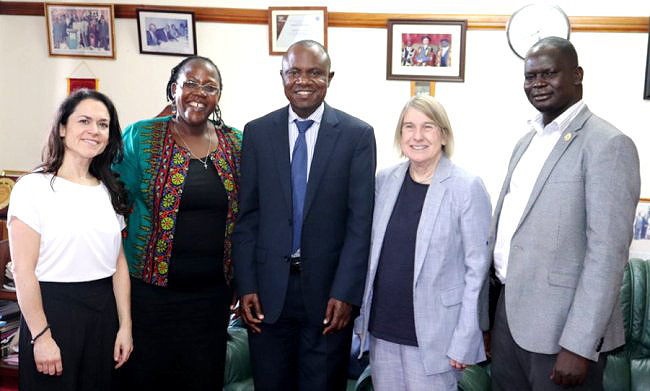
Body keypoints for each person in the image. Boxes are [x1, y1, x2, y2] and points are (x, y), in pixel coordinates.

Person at [486, 37, 640, 390]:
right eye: (530, 76)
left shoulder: (608, 144)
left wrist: (579, 345)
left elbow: (607, 254)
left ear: (577, 75)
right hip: (509, 321)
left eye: (549, 73)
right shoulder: (526, 142)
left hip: (561, 335)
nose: (537, 83)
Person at [233, 39, 376, 391]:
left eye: (314, 73)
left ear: (330, 77)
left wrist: (346, 293)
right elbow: (247, 217)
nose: (303, 81)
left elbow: (360, 225)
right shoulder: (257, 132)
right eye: (294, 72)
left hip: (329, 297)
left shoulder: (357, 136)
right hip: (267, 294)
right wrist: (246, 284)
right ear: (282, 76)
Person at [113, 56, 241, 390]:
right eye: (191, 83)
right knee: (144, 380)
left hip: (212, 299)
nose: (200, 92)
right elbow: (111, 196)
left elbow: (249, 215)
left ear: (218, 97)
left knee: (202, 380)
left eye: (210, 87)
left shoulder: (237, 144)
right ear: (174, 89)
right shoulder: (141, 137)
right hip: (149, 297)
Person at [356, 95, 491, 391]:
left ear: (443, 135)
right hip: (382, 333)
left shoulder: (466, 187)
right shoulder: (384, 181)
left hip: (436, 338)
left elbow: (477, 271)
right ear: (400, 135)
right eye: (409, 127)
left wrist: (465, 338)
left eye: (427, 127)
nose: (417, 136)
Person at [7, 89, 133, 390]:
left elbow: (118, 264)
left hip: (103, 315)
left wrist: (125, 326)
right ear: (62, 128)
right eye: (85, 121)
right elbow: (24, 271)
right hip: (53, 312)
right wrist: (41, 336)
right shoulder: (32, 188)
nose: (94, 131)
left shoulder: (108, 189)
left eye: (103, 124)